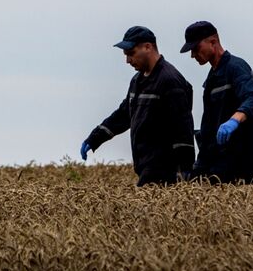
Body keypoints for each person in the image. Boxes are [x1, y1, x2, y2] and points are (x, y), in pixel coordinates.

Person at [80, 26, 195, 186]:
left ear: (148, 47)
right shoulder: (137, 81)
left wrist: (183, 171)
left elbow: (183, 128)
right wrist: (95, 138)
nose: (127, 60)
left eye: (131, 54)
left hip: (165, 170)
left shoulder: (170, 80)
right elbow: (124, 114)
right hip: (144, 165)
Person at [180, 21, 253, 182]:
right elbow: (208, 125)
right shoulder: (211, 79)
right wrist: (200, 166)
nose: (193, 55)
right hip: (223, 165)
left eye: (196, 48)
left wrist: (234, 120)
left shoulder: (237, 68)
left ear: (213, 42)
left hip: (248, 166)